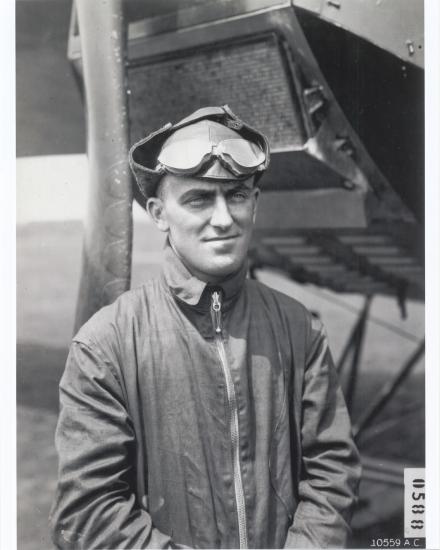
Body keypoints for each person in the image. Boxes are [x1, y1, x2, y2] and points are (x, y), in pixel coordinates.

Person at [50, 105, 361, 549]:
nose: (223, 218)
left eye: (236, 195)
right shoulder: (104, 345)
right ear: (159, 213)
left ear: (254, 203)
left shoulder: (299, 329)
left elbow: (332, 468)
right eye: (198, 198)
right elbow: (86, 511)